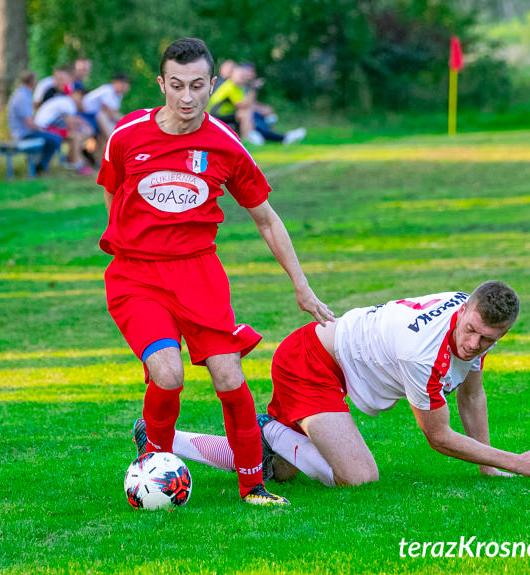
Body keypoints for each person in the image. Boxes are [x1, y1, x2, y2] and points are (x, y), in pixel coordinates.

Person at [98, 37, 333, 507]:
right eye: (177, 85)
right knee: (167, 373)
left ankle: (253, 487)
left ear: (212, 86)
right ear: (162, 84)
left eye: (198, 86)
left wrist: (301, 285)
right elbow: (113, 193)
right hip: (137, 276)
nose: (186, 97)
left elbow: (266, 218)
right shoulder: (126, 135)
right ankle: (154, 469)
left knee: (229, 377)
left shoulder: (226, 146)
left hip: (199, 275)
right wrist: (130, 241)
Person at [138, 282, 530, 487]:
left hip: (335, 366)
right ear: (466, 310)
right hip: (310, 363)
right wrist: (516, 461)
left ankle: (168, 439)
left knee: (282, 471)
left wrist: (487, 465)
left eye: (488, 340)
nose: (474, 345)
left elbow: (472, 394)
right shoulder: (422, 352)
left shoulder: (475, 324)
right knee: (358, 478)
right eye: (471, 331)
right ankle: (268, 427)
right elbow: (438, 437)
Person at [208, 63, 304, 146]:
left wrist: (262, 109)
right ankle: (248, 138)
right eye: (240, 75)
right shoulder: (230, 87)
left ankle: (278, 136)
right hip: (215, 116)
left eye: (243, 75)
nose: (242, 77)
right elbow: (243, 105)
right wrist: (254, 89)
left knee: (255, 115)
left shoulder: (238, 87)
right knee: (246, 114)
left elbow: (248, 103)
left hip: (228, 115)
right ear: (232, 75)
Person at [7, 70, 62, 174]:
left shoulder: (22, 93)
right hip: (23, 133)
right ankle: (40, 167)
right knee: (55, 139)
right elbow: (28, 122)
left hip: (22, 131)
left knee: (51, 137)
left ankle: (38, 164)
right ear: (32, 81)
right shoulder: (22, 96)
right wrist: (41, 128)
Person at [35, 88, 93, 175]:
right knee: (75, 137)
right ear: (75, 94)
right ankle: (77, 165)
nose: (81, 101)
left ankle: (72, 160)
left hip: (44, 127)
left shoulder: (65, 101)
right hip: (44, 129)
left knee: (76, 135)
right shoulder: (69, 103)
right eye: (81, 97)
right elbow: (70, 125)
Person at [81, 73, 131, 158]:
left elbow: (114, 113)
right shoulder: (108, 90)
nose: (125, 86)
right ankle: (115, 143)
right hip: (85, 115)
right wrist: (129, 121)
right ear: (115, 82)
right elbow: (110, 113)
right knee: (105, 120)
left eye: (126, 84)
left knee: (109, 125)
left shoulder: (118, 95)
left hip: (95, 118)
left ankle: (100, 158)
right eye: (123, 83)